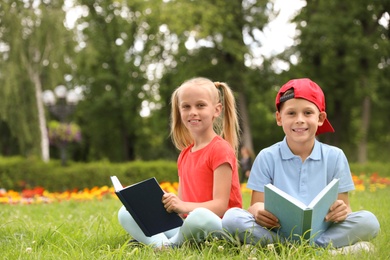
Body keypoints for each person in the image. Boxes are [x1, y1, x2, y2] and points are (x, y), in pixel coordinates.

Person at [222, 78, 380, 253]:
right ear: (279, 118)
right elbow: (255, 206)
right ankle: (325, 252)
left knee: (369, 221)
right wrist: (259, 211)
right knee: (232, 218)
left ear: (320, 118)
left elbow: (345, 208)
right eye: (291, 113)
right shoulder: (266, 156)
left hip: (322, 231)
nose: (299, 120)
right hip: (277, 230)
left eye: (307, 113)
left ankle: (284, 249)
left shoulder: (335, 156)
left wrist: (341, 212)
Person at [118, 77, 242, 248]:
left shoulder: (220, 149)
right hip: (188, 226)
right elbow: (181, 206)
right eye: (186, 106)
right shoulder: (184, 154)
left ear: (216, 110)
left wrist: (182, 206)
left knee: (199, 216)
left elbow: (220, 206)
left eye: (200, 105)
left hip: (216, 227)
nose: (193, 112)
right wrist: (167, 201)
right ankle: (164, 246)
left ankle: (167, 245)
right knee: (126, 213)